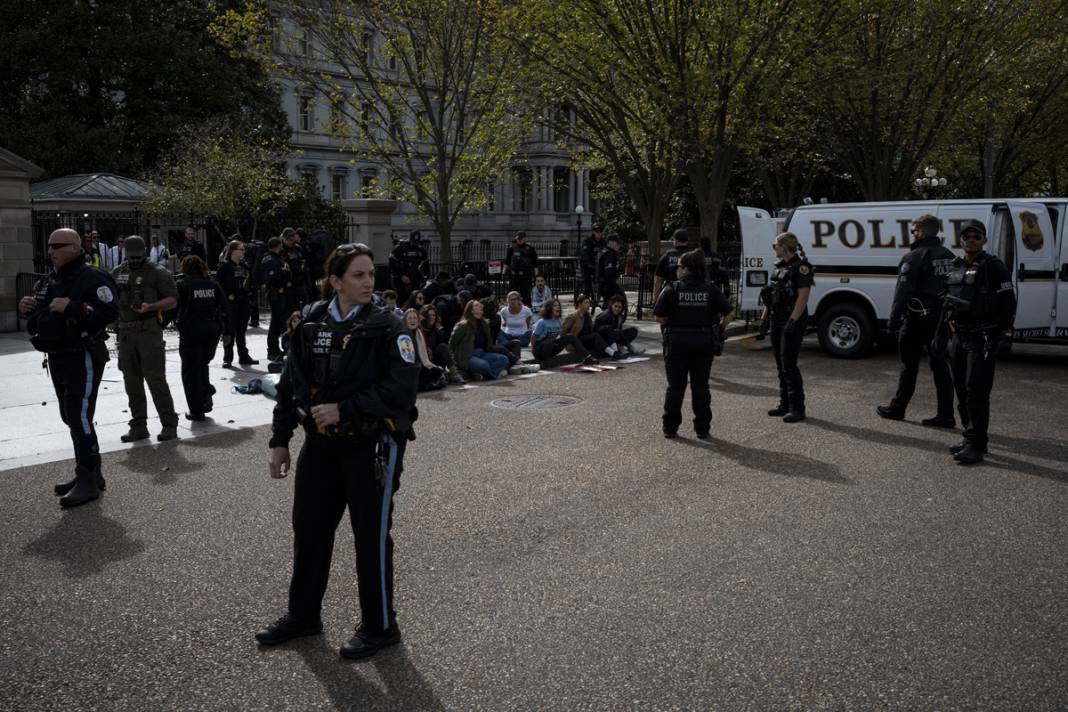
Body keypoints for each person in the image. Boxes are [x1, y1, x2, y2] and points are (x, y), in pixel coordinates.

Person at [258, 242, 419, 660]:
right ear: (335, 281)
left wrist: (344, 408)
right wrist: (280, 440)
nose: (369, 283)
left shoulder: (390, 326)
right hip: (321, 446)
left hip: (372, 446)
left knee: (370, 538)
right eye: (359, 276)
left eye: (371, 275)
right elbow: (290, 383)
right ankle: (304, 616)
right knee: (309, 531)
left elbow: (402, 391)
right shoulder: (310, 320)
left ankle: (381, 627)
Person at [19, 228, 118, 507]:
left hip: (82, 354)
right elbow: (45, 314)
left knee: (78, 415)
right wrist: (30, 309)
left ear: (75, 247)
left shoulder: (93, 277)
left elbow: (110, 313)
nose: (50, 250)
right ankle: (91, 472)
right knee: (71, 416)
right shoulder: (54, 279)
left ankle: (87, 479)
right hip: (58, 354)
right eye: (49, 245)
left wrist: (74, 307)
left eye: (57, 245)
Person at [940, 219, 1016, 465]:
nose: (971, 240)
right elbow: (947, 302)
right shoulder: (955, 266)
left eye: (976, 236)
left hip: (982, 337)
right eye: (967, 237)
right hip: (958, 335)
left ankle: (976, 444)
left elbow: (1007, 303)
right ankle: (969, 436)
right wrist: (939, 336)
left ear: (983, 240)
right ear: (960, 241)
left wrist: (1005, 334)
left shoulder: (994, 267)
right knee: (961, 389)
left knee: (977, 391)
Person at [877, 214, 956, 425]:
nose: (913, 234)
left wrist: (893, 322)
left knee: (908, 366)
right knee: (940, 366)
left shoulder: (914, 256)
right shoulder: (950, 256)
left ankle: (897, 409)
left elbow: (902, 292)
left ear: (921, 232)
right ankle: (946, 415)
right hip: (941, 319)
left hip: (917, 319)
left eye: (914, 231)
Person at [654, 249, 734, 439]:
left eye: (679, 267)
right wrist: (719, 329)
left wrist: (672, 323)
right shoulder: (711, 289)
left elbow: (658, 316)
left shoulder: (672, 289)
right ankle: (702, 428)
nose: (676, 270)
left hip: (676, 343)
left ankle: (670, 428)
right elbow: (729, 314)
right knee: (701, 387)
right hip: (703, 342)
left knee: (675, 387)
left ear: (686, 269)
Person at [111, 235, 180, 442]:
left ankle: (169, 424)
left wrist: (151, 307)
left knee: (156, 380)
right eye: (131, 257)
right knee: (131, 382)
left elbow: (172, 300)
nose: (134, 260)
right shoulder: (118, 272)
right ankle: (138, 425)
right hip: (125, 334)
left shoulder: (157, 272)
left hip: (149, 333)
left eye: (138, 257)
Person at [763, 232, 813, 423]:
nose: (773, 248)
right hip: (777, 318)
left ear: (784, 246)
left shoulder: (801, 268)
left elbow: (803, 297)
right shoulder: (779, 267)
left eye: (774, 245)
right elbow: (772, 296)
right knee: (780, 364)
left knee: (789, 364)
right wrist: (765, 319)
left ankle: (797, 408)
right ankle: (784, 404)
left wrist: (793, 321)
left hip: (792, 320)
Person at [175, 255, 228, 421]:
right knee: (203, 364)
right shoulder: (213, 284)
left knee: (190, 371)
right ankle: (205, 395)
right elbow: (225, 307)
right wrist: (227, 332)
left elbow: (174, 306)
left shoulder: (183, 285)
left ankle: (197, 410)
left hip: (191, 331)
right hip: (211, 330)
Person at [215, 239, 259, 367]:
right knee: (229, 331)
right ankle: (227, 358)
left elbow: (249, 280)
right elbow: (219, 285)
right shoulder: (225, 267)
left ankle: (244, 356)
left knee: (242, 331)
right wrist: (226, 298)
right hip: (230, 302)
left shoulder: (244, 265)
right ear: (233, 251)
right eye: (241, 249)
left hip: (243, 301)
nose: (243, 251)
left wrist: (250, 296)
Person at [448, 299, 511, 380]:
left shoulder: (484, 324)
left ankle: (479, 375)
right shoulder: (463, 325)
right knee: (484, 365)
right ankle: (489, 375)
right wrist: (453, 362)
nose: (481, 306)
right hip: (468, 356)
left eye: (480, 305)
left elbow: (489, 345)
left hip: (481, 353)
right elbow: (451, 344)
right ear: (471, 310)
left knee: (503, 359)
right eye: (476, 305)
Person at [530, 298, 594, 365]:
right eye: (555, 305)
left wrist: (565, 341)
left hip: (551, 347)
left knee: (570, 336)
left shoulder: (558, 321)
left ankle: (588, 357)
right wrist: (534, 351)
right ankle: (543, 361)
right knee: (549, 342)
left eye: (559, 305)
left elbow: (561, 335)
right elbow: (533, 338)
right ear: (549, 308)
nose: (558, 307)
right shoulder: (542, 322)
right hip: (539, 349)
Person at [260, 237, 290, 361]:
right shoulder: (269, 259)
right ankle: (272, 350)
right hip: (275, 294)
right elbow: (272, 279)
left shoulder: (278, 258)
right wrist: (283, 272)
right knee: (275, 323)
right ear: (277, 246)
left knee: (280, 322)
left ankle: (277, 348)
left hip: (282, 294)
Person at [418, 305, 465, 384]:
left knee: (443, 346)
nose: (431, 317)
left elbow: (442, 349)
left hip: (434, 360)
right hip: (424, 361)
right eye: (429, 315)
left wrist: (440, 332)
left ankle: (454, 374)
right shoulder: (419, 330)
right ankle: (444, 376)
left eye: (433, 315)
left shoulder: (436, 331)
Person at [404, 309, 447, 391]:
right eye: (410, 318)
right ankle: (426, 385)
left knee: (437, 371)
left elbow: (425, 359)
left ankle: (427, 385)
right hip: (408, 368)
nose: (412, 320)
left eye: (414, 318)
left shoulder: (419, 333)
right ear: (405, 320)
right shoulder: (403, 335)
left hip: (421, 365)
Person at [388, 232, 429, 305]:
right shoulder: (401, 248)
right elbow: (392, 263)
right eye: (413, 242)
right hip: (402, 280)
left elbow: (426, 264)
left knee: (415, 299)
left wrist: (425, 277)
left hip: (415, 279)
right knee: (402, 299)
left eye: (416, 242)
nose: (415, 244)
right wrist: (401, 275)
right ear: (410, 239)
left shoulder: (421, 250)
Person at [503, 231, 538, 305]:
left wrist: (536, 276)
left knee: (526, 294)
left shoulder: (530, 249)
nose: (519, 240)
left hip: (526, 275)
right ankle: (512, 308)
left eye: (521, 238)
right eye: (518, 238)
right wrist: (503, 273)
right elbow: (507, 262)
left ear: (524, 238)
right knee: (512, 294)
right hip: (514, 275)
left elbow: (535, 264)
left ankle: (527, 308)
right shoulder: (512, 248)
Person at [653, 228, 690, 298]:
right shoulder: (693, 256)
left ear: (675, 240)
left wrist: (656, 300)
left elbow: (658, 281)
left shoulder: (666, 256)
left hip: (670, 294)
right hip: (688, 295)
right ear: (687, 241)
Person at [281, 227, 311, 311]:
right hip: (288, 284)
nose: (291, 242)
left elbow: (305, 264)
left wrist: (308, 283)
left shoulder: (298, 248)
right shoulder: (281, 250)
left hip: (300, 283)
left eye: (292, 239)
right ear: (284, 239)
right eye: (289, 240)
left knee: (303, 309)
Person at [244, 235, 268, 328]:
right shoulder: (257, 251)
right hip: (254, 280)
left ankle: (249, 320)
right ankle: (255, 320)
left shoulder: (249, 252)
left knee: (247, 300)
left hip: (249, 280)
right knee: (253, 300)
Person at [580, 222, 605, 301]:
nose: (598, 233)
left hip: (598, 266)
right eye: (596, 231)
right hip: (587, 266)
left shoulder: (603, 242)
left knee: (604, 281)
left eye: (600, 231)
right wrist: (589, 264)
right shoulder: (587, 241)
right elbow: (585, 254)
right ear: (593, 232)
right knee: (587, 285)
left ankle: (601, 297)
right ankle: (584, 299)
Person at [596, 235, 623, 310]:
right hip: (607, 283)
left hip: (603, 282)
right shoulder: (609, 254)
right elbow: (609, 271)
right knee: (613, 298)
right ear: (610, 242)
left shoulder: (605, 252)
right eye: (616, 242)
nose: (618, 245)